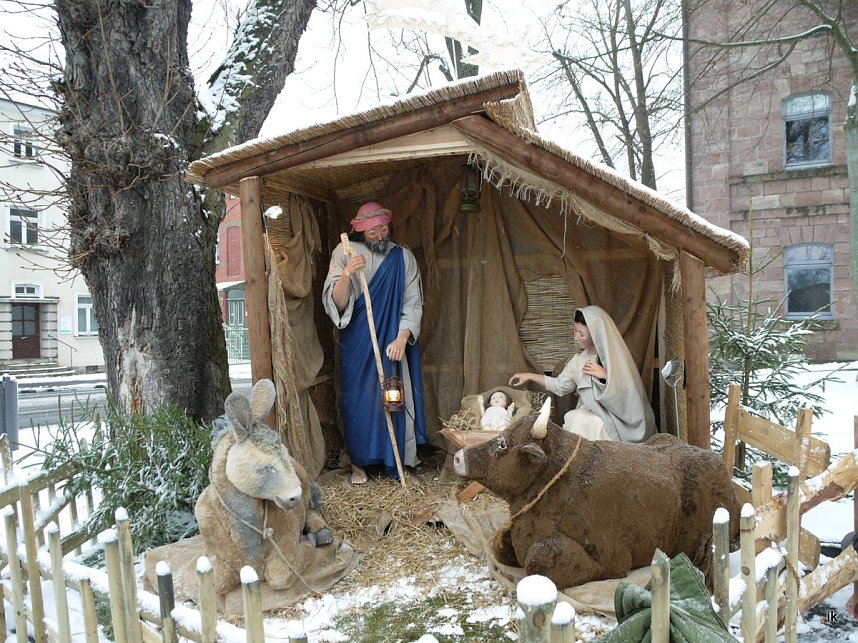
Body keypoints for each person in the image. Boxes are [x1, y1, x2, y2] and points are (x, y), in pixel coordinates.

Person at [322, 201, 427, 484]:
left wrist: (402, 337)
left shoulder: (402, 257)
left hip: (391, 343)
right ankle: (359, 462)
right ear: (360, 233)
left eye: (383, 229)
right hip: (358, 344)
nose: (380, 236)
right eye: (372, 233)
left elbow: (412, 301)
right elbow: (337, 303)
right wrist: (346, 274)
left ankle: (397, 462)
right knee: (359, 402)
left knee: (392, 399)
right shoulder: (344, 253)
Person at [508, 305, 655, 442]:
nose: (576, 337)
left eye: (582, 334)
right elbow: (559, 386)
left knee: (592, 422)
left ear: (596, 334)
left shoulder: (616, 360)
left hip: (615, 416)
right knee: (578, 418)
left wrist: (606, 376)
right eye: (575, 331)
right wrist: (529, 376)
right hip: (588, 410)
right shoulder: (577, 362)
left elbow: (629, 396)